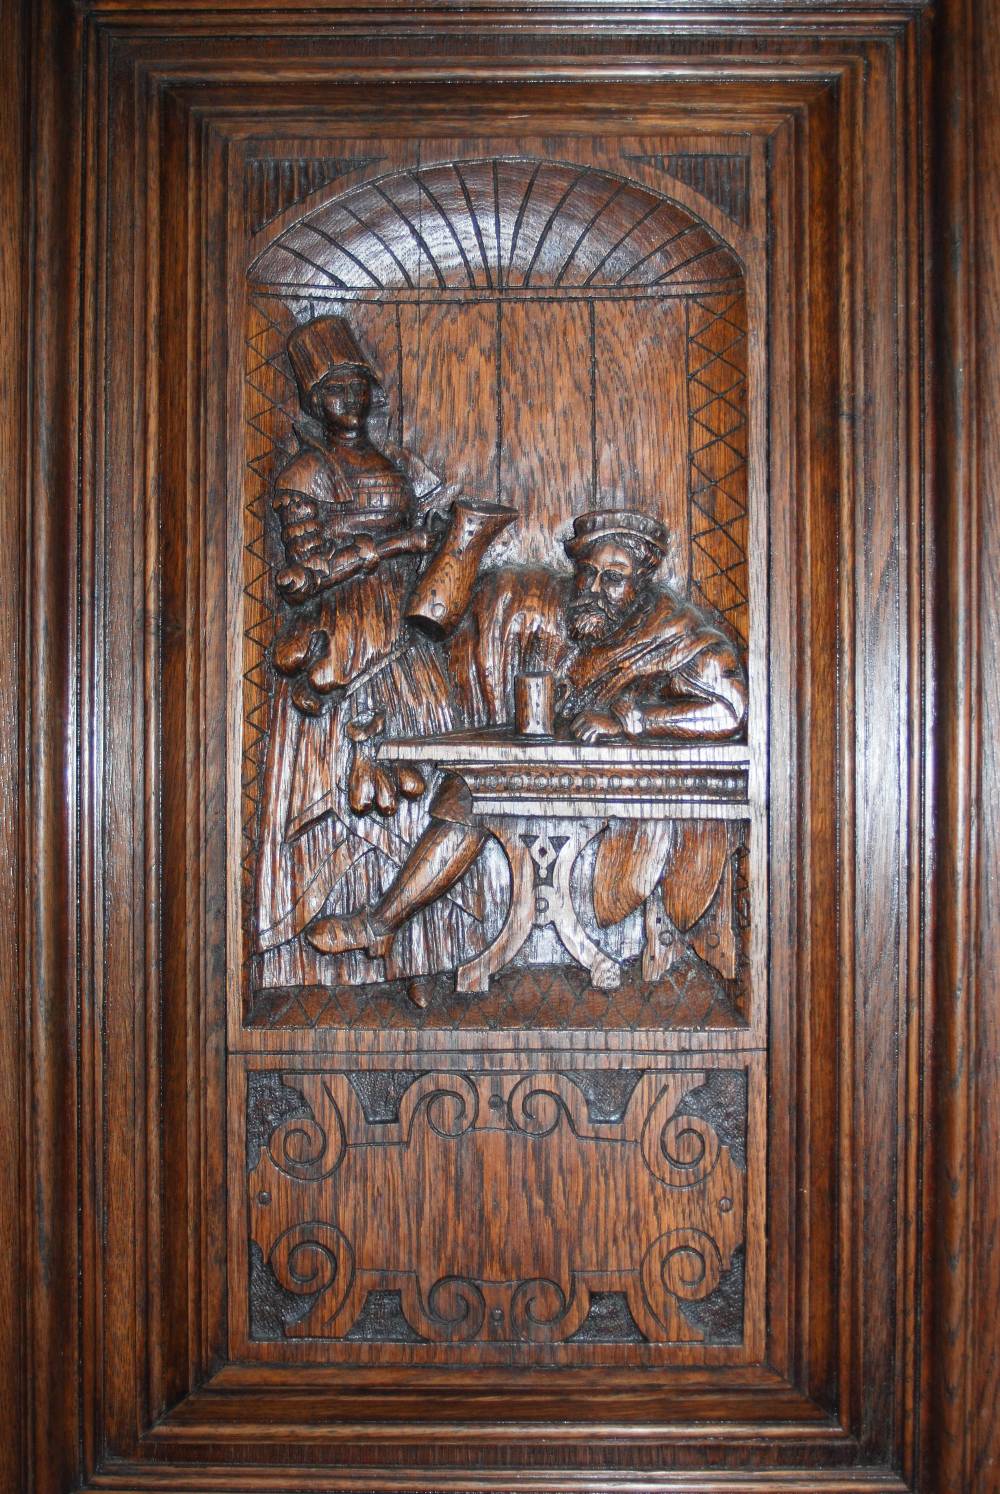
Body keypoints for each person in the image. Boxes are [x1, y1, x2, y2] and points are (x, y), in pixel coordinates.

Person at [306, 508, 747, 965]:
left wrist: (631, 721)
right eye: (589, 574)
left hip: (636, 780)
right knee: (469, 792)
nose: (595, 590)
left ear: (645, 580)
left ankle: (392, 927)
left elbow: (729, 711)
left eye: (614, 579)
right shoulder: (564, 611)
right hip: (561, 761)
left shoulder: (678, 633)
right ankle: (383, 927)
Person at [253, 316, 489, 993]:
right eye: (333, 389)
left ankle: (418, 949)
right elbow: (303, 573)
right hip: (343, 633)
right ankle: (310, 948)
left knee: (429, 763)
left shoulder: (390, 468)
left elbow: (416, 545)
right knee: (339, 778)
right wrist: (393, 547)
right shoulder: (305, 473)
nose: (348, 400)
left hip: (404, 630)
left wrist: (442, 548)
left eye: (356, 385)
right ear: (312, 400)